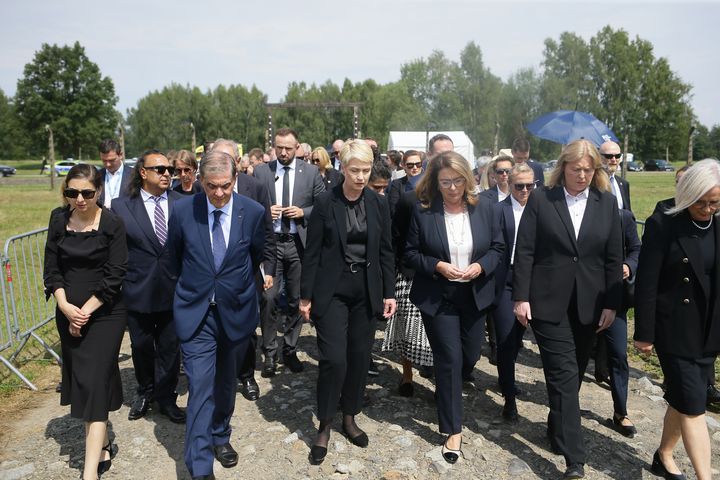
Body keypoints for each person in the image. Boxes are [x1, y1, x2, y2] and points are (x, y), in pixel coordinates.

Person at [512, 139, 622, 480]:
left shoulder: (606, 204)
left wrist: (612, 304)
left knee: (572, 374)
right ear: (564, 168)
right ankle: (575, 459)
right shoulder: (543, 199)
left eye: (589, 170)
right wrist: (521, 297)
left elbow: (613, 258)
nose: (583, 175)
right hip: (548, 301)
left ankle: (556, 424)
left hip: (590, 304)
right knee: (562, 375)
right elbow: (525, 249)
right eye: (577, 169)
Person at [167, 150, 266, 480]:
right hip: (196, 315)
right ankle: (199, 467)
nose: (219, 193)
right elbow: (173, 261)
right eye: (211, 186)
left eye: (225, 185)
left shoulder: (251, 213)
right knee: (199, 388)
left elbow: (255, 258)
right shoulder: (182, 211)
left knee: (225, 383)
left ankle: (220, 435)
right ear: (200, 181)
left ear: (235, 180)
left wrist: (236, 290)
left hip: (234, 313)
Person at [299, 139, 396, 464]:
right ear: (342, 168)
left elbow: (385, 249)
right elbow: (311, 253)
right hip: (332, 290)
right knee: (333, 360)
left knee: (358, 358)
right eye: (355, 170)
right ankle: (325, 424)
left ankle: (350, 416)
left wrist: (389, 292)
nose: (361, 177)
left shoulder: (377, 202)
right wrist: (305, 296)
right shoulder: (326, 202)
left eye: (366, 171)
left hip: (366, 290)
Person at [405, 151, 503, 464]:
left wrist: (480, 267)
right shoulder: (423, 212)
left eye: (458, 180)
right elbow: (409, 254)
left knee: (470, 355)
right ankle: (452, 429)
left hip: (474, 294)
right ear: (435, 181)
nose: (452, 187)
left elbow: (499, 248)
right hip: (439, 295)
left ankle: (448, 389)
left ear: (468, 178)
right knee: (448, 358)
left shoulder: (485, 207)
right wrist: (437, 265)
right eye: (445, 181)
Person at [634, 159, 720, 480]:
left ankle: (664, 454)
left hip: (708, 328)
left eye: (715, 202)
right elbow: (647, 281)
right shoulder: (663, 222)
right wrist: (644, 332)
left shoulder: (718, 221)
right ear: (687, 194)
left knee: (685, 398)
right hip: (674, 328)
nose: (709, 209)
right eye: (702, 202)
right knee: (695, 406)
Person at [44, 163, 128, 480]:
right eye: (72, 192)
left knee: (93, 381)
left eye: (87, 193)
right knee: (85, 380)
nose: (79, 200)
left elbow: (115, 276)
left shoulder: (112, 224)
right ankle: (102, 442)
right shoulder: (57, 218)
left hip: (106, 313)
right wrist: (66, 306)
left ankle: (89, 472)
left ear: (99, 192)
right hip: (67, 311)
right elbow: (52, 269)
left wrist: (86, 311)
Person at [112, 151, 186, 424]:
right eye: (160, 169)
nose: (167, 173)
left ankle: (166, 397)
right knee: (141, 345)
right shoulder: (121, 206)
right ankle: (145, 391)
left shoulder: (183, 204)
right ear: (143, 172)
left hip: (174, 289)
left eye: (169, 169)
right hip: (137, 289)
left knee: (169, 347)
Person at [252, 128, 325, 376]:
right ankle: (269, 353)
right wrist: (265, 211)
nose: (283, 152)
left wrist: (303, 212)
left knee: (296, 299)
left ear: (298, 149)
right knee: (269, 297)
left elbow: (324, 207)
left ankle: (290, 350)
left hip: (298, 244)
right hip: (270, 245)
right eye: (279, 147)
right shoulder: (261, 171)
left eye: (288, 148)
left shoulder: (311, 172)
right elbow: (248, 205)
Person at [210, 139, 276, 402]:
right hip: (214, 273)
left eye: (227, 160)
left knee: (247, 328)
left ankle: (247, 375)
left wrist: (267, 268)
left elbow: (267, 231)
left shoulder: (255, 188)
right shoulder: (206, 190)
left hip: (246, 271)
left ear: (237, 163)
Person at [491, 163, 534, 422]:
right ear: (509, 184)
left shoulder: (545, 210)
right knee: (507, 340)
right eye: (520, 186)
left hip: (536, 281)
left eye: (531, 185)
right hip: (505, 280)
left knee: (519, 339)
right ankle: (509, 396)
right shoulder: (498, 210)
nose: (525, 191)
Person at [387, 150, 424, 216]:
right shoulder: (397, 184)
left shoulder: (429, 183)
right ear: (403, 166)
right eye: (410, 165)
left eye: (418, 164)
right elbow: (393, 210)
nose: (415, 168)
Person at [97, 139, 133, 208]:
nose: (108, 164)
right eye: (104, 161)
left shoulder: (134, 175)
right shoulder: (97, 175)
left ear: (120, 155)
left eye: (112, 160)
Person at [598, 141, 631, 210]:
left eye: (617, 156)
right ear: (599, 157)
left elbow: (628, 213)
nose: (614, 160)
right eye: (609, 156)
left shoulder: (624, 184)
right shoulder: (591, 182)